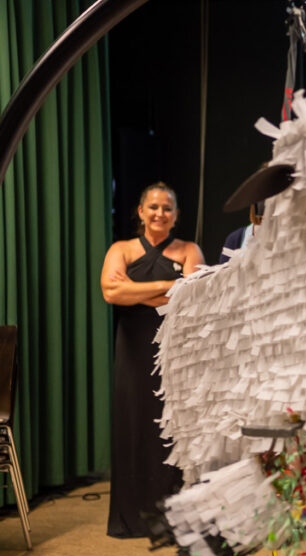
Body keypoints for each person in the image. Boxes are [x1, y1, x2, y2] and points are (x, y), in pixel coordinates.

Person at [100, 182, 205, 538]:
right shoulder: (122, 248)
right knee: (133, 425)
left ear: (176, 216)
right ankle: (130, 518)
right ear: (141, 212)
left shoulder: (189, 249)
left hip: (174, 352)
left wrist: (134, 291)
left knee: (169, 431)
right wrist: (166, 287)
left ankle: (171, 518)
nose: (160, 213)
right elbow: (111, 291)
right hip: (132, 349)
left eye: (167, 208)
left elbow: (192, 298)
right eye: (154, 207)